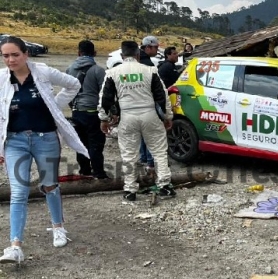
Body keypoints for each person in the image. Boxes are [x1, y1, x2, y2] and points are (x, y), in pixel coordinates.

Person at [0, 36, 89, 264]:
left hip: (45, 138)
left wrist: (53, 104)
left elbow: (74, 84)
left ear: (26, 54)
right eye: (6, 56)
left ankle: (58, 227)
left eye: (15, 55)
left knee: (49, 184)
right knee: (19, 191)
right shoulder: (1, 78)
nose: (11, 60)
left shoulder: (43, 71)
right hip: (14, 141)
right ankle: (15, 245)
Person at [98, 40, 176, 201]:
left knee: (128, 154)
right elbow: (162, 96)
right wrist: (168, 116)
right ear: (138, 54)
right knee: (159, 152)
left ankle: (130, 190)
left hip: (127, 116)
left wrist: (104, 119)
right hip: (149, 115)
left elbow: (105, 99)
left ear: (122, 55)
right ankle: (164, 186)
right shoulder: (150, 70)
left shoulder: (113, 73)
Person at [66, 40, 109, 179]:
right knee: (95, 144)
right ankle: (99, 173)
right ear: (95, 53)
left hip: (76, 111)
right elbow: (105, 94)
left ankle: (84, 171)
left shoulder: (69, 69)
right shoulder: (99, 70)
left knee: (81, 143)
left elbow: (67, 91)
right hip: (93, 112)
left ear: (78, 53)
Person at [138, 36, 159, 170]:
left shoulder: (136, 61)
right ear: (148, 47)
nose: (157, 50)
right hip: (147, 103)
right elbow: (155, 88)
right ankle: (151, 162)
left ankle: (144, 157)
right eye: (156, 47)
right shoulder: (148, 65)